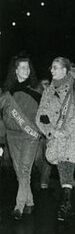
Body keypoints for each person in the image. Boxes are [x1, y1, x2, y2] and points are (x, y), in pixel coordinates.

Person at [36, 57, 75, 221]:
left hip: (71, 137)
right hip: (56, 138)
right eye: (51, 68)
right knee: (64, 171)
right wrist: (51, 131)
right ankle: (66, 204)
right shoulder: (48, 91)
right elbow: (41, 115)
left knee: (66, 169)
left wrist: (72, 132)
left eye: (55, 68)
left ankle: (64, 204)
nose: (51, 70)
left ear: (64, 70)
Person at [0, 55, 42, 220]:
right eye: (23, 67)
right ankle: (29, 202)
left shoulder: (37, 88)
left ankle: (19, 206)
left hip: (29, 135)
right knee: (20, 172)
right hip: (12, 135)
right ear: (15, 70)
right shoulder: (8, 90)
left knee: (24, 170)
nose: (26, 70)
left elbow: (43, 110)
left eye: (28, 67)